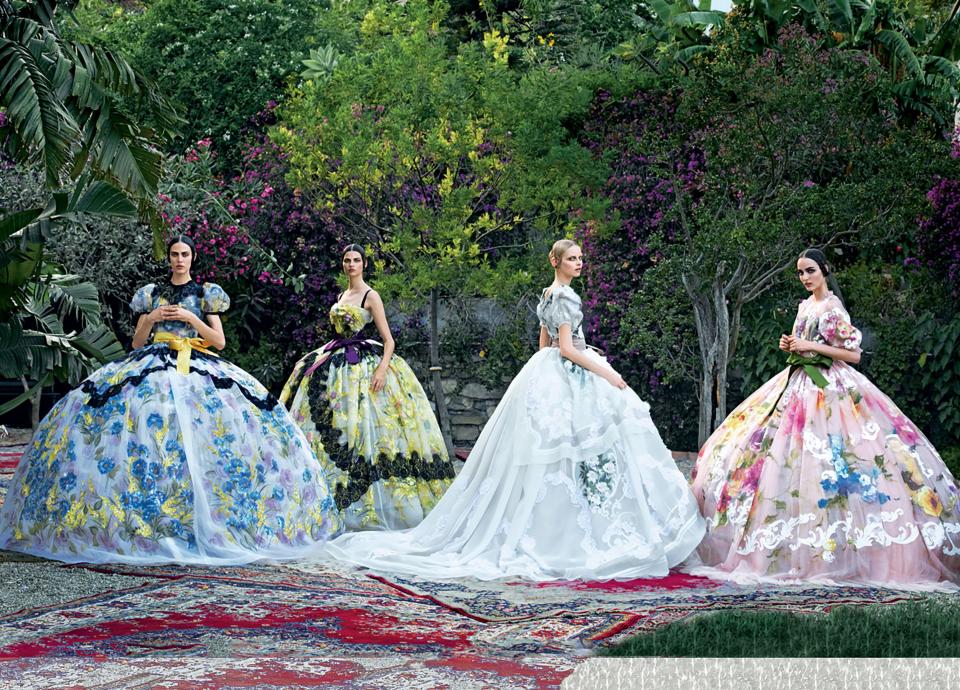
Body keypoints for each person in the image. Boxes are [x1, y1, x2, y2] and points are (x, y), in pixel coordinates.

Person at [323, 239, 705, 580]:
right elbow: (567, 349)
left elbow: (545, 347)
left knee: (559, 454)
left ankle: (568, 520)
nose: (579, 263)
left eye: (581, 258)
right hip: (570, 370)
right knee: (581, 446)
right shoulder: (566, 298)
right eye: (572, 258)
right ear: (555, 261)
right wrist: (607, 374)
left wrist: (568, 365)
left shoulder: (547, 294)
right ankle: (577, 530)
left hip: (550, 371)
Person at [0, 236, 342, 565]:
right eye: (175, 254)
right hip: (152, 361)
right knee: (147, 429)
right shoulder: (151, 294)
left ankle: (205, 515)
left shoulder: (206, 294)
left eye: (185, 255)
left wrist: (192, 320)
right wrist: (152, 319)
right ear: (169, 259)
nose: (179, 260)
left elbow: (218, 342)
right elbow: (136, 343)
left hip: (193, 362)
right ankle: (151, 514)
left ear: (192, 259)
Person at [689, 248, 960, 589]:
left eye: (811, 271)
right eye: (801, 272)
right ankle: (782, 545)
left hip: (831, 386)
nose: (805, 278)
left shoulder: (833, 308)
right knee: (774, 456)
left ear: (825, 271)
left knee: (841, 458)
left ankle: (847, 549)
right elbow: (802, 343)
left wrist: (811, 347)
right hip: (797, 382)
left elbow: (854, 354)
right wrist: (791, 344)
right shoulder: (805, 305)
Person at [279, 244, 455, 531]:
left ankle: (385, 504)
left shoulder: (371, 296)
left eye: (356, 260)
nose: (351, 265)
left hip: (366, 363)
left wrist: (383, 369)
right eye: (347, 260)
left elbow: (389, 340)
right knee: (339, 424)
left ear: (364, 264)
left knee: (375, 430)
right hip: (338, 362)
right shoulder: (342, 295)